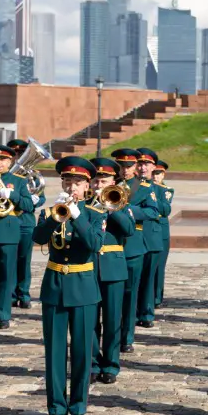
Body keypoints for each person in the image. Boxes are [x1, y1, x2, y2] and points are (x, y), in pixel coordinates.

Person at [33, 157, 103, 415]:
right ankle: (56, 406)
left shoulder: (95, 214)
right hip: (54, 286)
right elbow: (38, 238)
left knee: (83, 351)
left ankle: (78, 406)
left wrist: (77, 216)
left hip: (83, 286)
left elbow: (95, 244)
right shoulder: (50, 211)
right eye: (67, 181)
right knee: (54, 350)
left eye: (77, 182)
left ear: (88, 186)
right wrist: (55, 215)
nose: (72, 186)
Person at [89, 158, 135, 385]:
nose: (99, 183)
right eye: (96, 179)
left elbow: (128, 230)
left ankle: (111, 365)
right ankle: (92, 364)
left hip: (113, 268)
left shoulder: (120, 202)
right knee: (89, 321)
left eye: (104, 179)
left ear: (113, 181)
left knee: (112, 319)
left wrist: (110, 206)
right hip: (88, 266)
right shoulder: (83, 204)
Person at [0, 144, 33, 330]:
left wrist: (13, 195)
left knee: (6, 276)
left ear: (10, 161)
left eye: (2, 159)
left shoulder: (18, 181)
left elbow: (28, 205)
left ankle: (3, 315)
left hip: (9, 231)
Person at [112, 149, 148, 354]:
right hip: (109, 246)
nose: (124, 170)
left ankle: (126, 337)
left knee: (129, 294)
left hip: (132, 246)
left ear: (135, 166)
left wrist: (129, 211)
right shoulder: (109, 183)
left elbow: (153, 211)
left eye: (128, 166)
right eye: (121, 166)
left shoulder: (143, 187)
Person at [8, 138, 46, 310]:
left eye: (21, 153)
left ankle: (23, 294)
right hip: (8, 220)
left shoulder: (34, 175)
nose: (18, 156)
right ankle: (10, 294)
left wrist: (35, 200)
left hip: (26, 222)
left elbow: (42, 196)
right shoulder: (4, 175)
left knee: (24, 260)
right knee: (9, 260)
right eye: (15, 153)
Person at [134, 149, 169, 330]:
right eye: (139, 163)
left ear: (154, 167)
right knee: (134, 279)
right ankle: (132, 312)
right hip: (133, 237)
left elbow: (165, 210)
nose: (142, 167)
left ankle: (146, 312)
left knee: (149, 277)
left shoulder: (159, 188)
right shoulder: (130, 185)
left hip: (152, 236)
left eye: (147, 164)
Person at [153, 160, 173, 309]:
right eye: (153, 173)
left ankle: (157, 297)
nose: (155, 176)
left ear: (163, 174)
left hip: (161, 232)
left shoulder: (166, 190)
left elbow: (163, 209)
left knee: (159, 267)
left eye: (158, 173)